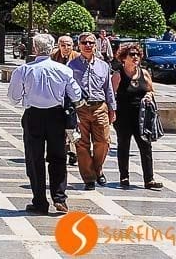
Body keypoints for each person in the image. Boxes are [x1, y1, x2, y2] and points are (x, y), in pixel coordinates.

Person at [7, 33, 82, 215]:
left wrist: (27, 93)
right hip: (56, 115)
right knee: (58, 157)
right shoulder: (63, 70)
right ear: (52, 48)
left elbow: (13, 98)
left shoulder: (23, 70)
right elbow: (76, 95)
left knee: (35, 159)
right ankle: (59, 198)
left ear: (34, 49)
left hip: (33, 115)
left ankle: (39, 201)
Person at [68, 31, 117, 190]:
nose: (88, 46)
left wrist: (112, 109)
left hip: (99, 107)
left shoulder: (103, 66)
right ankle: (89, 178)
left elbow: (108, 88)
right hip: (80, 108)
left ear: (96, 45)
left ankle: (98, 168)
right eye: (84, 43)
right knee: (81, 144)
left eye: (91, 43)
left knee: (103, 141)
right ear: (79, 46)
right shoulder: (72, 66)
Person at [112, 43, 162, 190]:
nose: (135, 57)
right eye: (131, 55)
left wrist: (148, 95)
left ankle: (149, 179)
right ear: (123, 58)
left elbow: (151, 90)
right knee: (123, 146)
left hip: (141, 116)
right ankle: (124, 176)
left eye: (137, 55)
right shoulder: (118, 74)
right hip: (123, 116)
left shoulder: (144, 73)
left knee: (145, 145)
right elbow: (112, 95)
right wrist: (112, 113)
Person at [49, 35, 79, 166]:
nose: (66, 48)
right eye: (63, 45)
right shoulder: (53, 57)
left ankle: (73, 152)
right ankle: (62, 150)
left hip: (73, 96)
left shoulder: (77, 57)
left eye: (69, 45)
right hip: (57, 97)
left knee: (72, 126)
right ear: (58, 46)